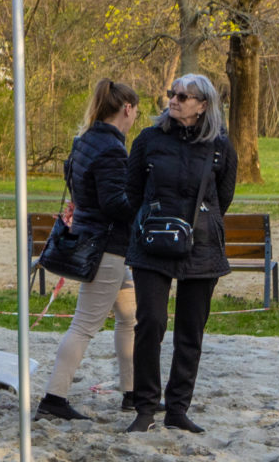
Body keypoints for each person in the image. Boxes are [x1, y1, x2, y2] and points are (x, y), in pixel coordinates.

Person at [123, 73, 238, 434]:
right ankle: (145, 407)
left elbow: (222, 198)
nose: (173, 100)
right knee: (151, 323)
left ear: (203, 105)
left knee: (191, 331)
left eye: (183, 96)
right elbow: (133, 191)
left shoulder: (220, 147)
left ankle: (178, 409)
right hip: (152, 244)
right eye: (172, 93)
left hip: (202, 248)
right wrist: (154, 221)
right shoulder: (148, 140)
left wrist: (197, 226)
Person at [36, 80, 141, 423]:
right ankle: (54, 397)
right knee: (83, 325)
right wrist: (143, 198)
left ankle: (132, 392)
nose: (135, 117)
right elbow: (115, 204)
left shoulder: (85, 141)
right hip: (105, 247)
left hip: (94, 240)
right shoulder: (112, 149)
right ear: (127, 108)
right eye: (136, 111)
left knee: (129, 316)